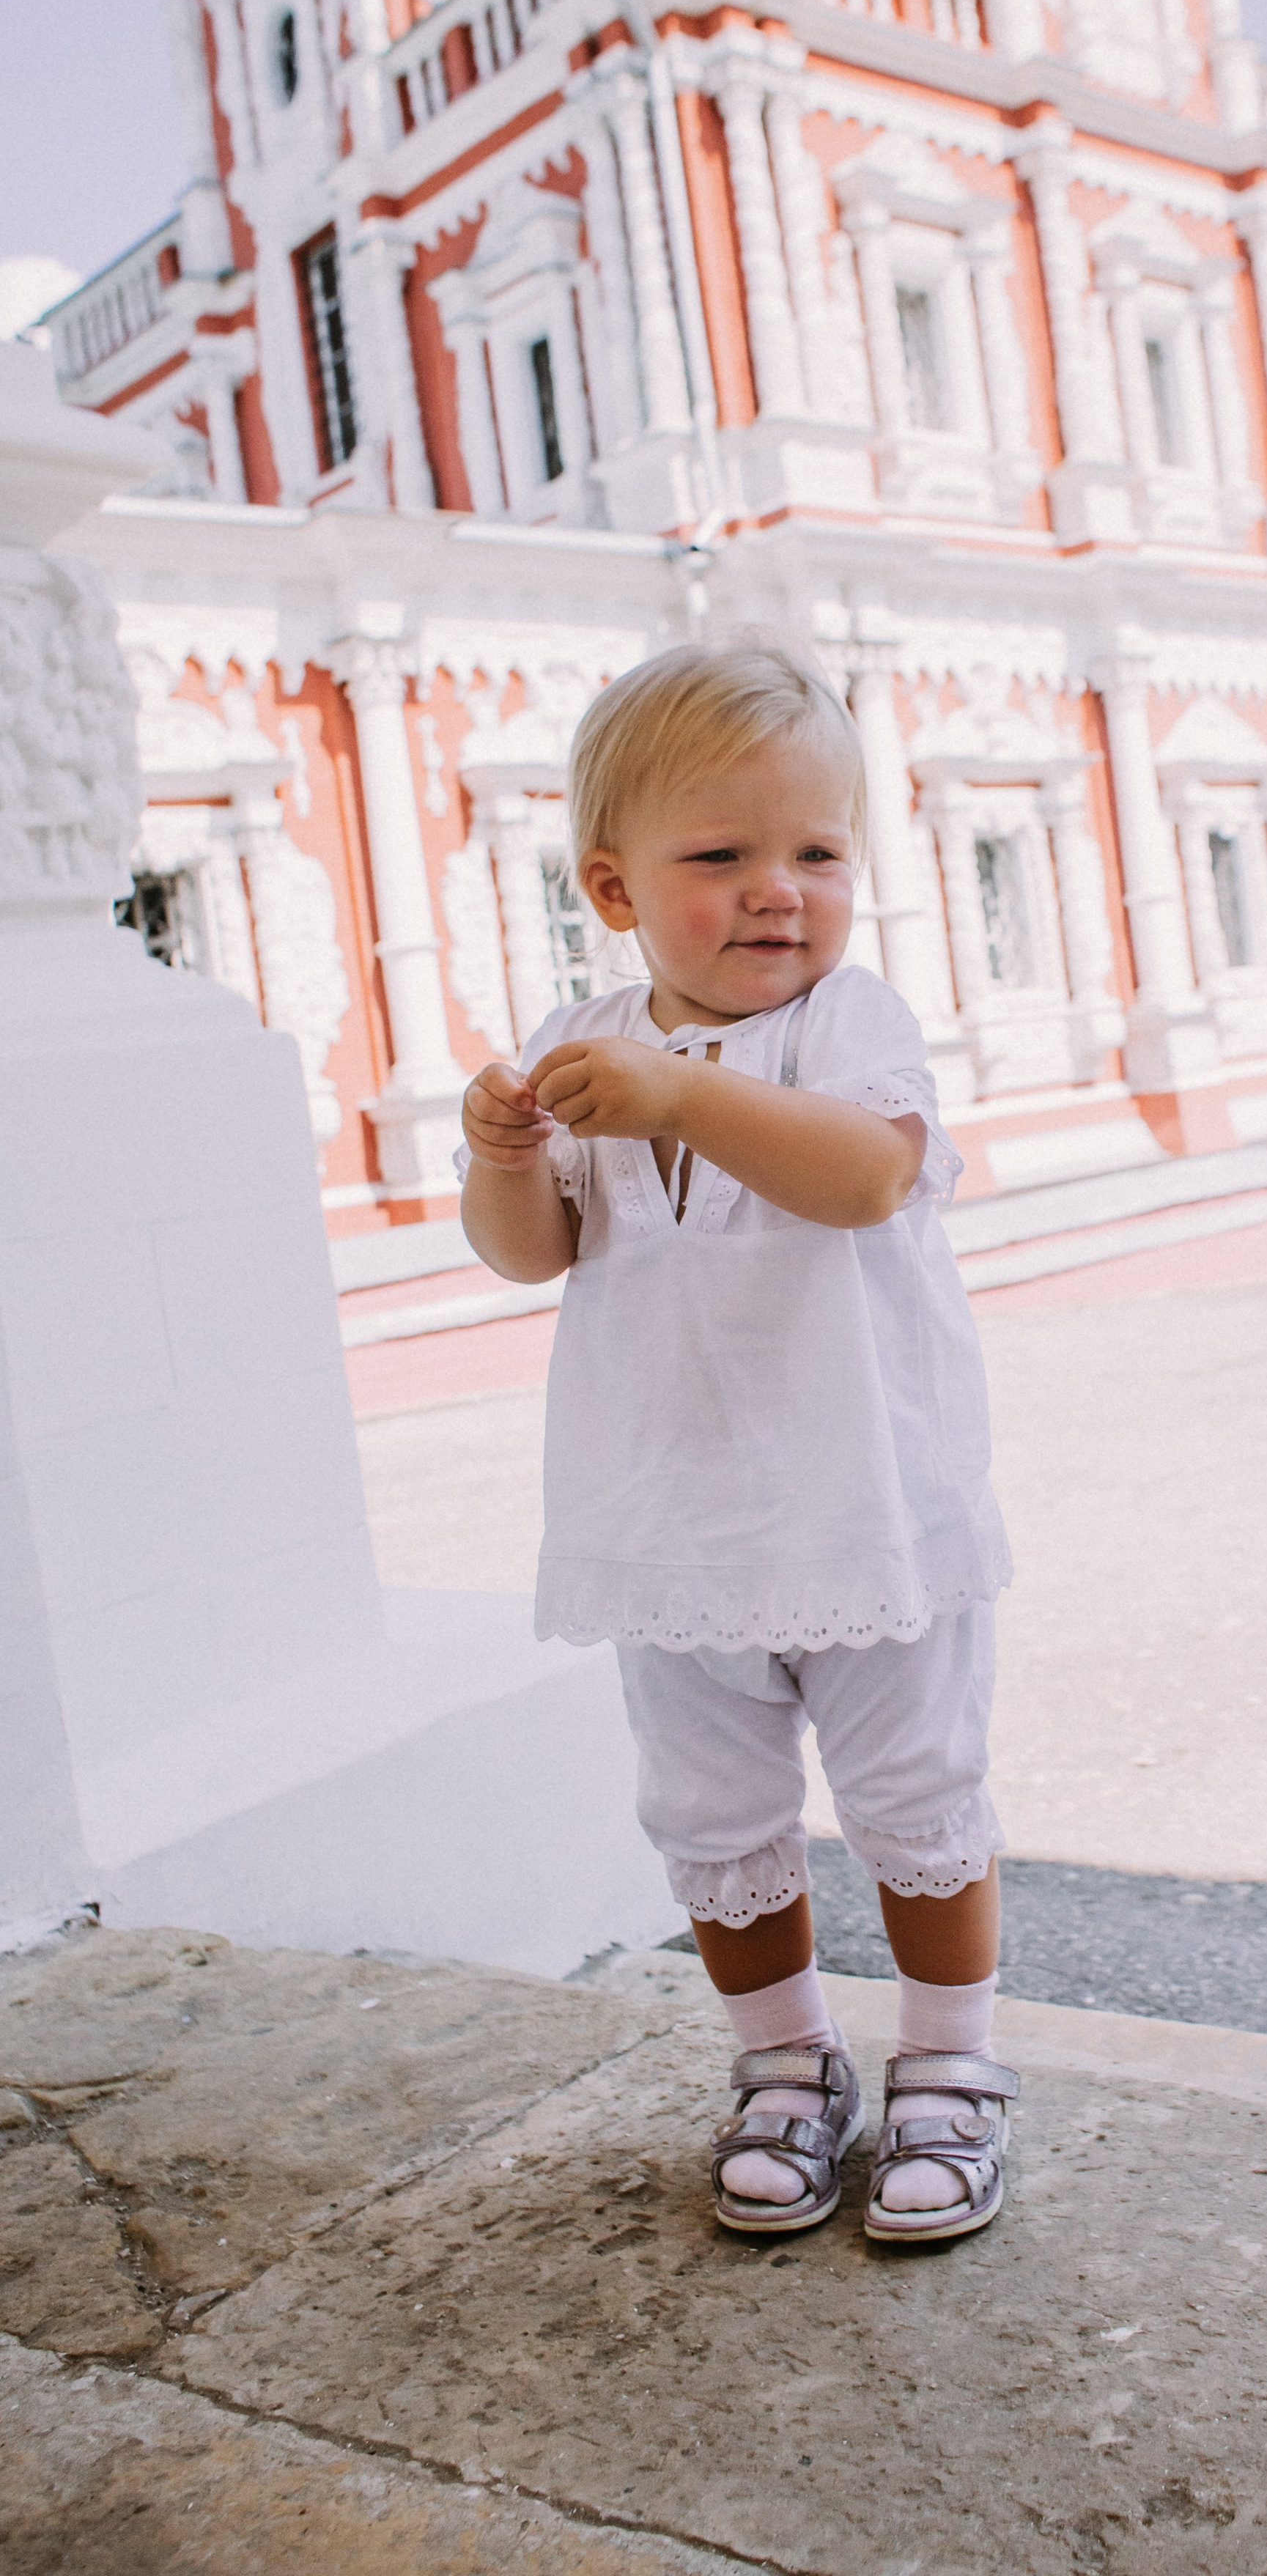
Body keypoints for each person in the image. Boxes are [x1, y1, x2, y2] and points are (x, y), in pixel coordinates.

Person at [458, 644, 1016, 2243]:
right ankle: (782, 2065)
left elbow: (859, 1179)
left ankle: (953, 2068)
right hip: (673, 1520)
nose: (780, 892)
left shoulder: (850, 1021)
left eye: (817, 854)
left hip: (866, 1506)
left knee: (917, 1792)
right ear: (613, 884)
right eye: (722, 857)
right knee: (710, 1816)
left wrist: (678, 1096)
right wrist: (504, 1157)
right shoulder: (585, 1035)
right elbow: (532, 1252)